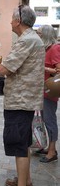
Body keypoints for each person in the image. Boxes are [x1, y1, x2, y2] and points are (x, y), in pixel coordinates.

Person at [0, 5, 45, 186]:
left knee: (18, 144)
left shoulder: (26, 40)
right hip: (25, 99)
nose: (10, 21)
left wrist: (2, 65)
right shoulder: (33, 39)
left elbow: (3, 69)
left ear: (19, 21)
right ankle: (27, 181)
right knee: (23, 142)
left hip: (20, 100)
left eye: (11, 18)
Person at [35, 25, 60, 163]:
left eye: (39, 33)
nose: (37, 36)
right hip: (43, 90)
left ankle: (52, 151)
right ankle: (48, 147)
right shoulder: (47, 48)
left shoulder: (55, 48)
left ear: (45, 35)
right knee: (45, 120)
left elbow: (58, 71)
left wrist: (42, 66)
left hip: (50, 91)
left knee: (50, 121)